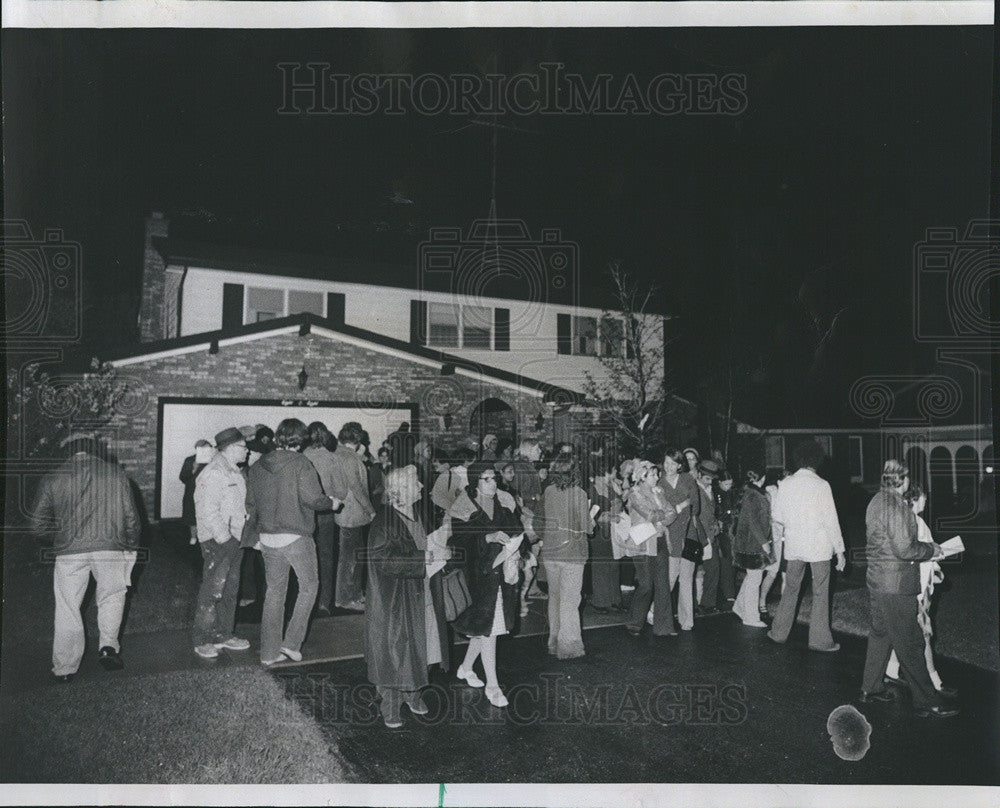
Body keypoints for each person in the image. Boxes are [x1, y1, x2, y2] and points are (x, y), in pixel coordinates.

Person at [31, 434, 141, 681]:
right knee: (112, 596)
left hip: (69, 552)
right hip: (111, 547)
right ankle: (108, 648)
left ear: (70, 453)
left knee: (68, 605)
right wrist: (131, 545)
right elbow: (131, 517)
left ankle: (65, 668)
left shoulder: (54, 476)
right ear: (95, 451)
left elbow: (37, 525)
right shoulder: (116, 474)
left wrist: (60, 538)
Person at [859, 462, 956, 717]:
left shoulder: (876, 502)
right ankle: (928, 701)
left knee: (881, 634)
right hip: (897, 584)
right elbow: (906, 549)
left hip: (878, 580)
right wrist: (933, 550)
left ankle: (871, 687)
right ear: (901, 481)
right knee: (911, 642)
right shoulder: (897, 508)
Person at [245, 418, 341, 666]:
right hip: (297, 537)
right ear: (300, 440)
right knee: (309, 587)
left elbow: (251, 505)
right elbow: (313, 499)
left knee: (274, 593)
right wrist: (332, 503)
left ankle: (268, 653)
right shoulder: (301, 463)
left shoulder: (257, 466)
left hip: (267, 539)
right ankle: (291, 644)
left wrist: (254, 536)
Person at [448, 462, 525, 707]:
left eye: (494, 478)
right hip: (476, 578)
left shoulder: (504, 503)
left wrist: (515, 545)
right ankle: (493, 686)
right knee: (490, 628)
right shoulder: (463, 507)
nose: (493, 483)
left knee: (486, 626)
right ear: (475, 482)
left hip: (500, 575)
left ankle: (466, 667)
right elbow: (458, 544)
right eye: (487, 479)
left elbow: (518, 532)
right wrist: (486, 537)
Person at [365, 466, 434, 728]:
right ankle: (390, 705)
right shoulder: (384, 521)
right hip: (393, 596)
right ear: (400, 490)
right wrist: (421, 559)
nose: (421, 487)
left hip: (418, 590)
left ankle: (412, 694)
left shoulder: (417, 514)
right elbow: (382, 559)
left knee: (419, 645)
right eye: (416, 483)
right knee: (395, 649)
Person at [767, 438, 845, 652]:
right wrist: (840, 550)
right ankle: (820, 640)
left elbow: (778, 516)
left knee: (791, 589)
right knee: (821, 591)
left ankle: (778, 632)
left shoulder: (786, 484)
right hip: (819, 547)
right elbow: (831, 520)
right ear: (816, 461)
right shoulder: (821, 485)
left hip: (794, 546)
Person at [884, 483, 956, 699]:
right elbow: (914, 552)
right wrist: (935, 553)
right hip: (914, 586)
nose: (926, 501)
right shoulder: (911, 522)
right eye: (924, 498)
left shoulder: (912, 521)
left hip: (917, 583)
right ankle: (934, 680)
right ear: (913, 499)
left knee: (909, 630)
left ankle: (890, 668)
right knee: (923, 632)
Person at [190, 427, 252, 659]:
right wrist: (225, 540)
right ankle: (202, 639)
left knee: (230, 590)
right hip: (218, 542)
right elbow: (207, 512)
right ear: (228, 449)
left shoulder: (233, 471)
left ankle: (224, 635)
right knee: (213, 591)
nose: (247, 451)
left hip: (234, 539)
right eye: (243, 447)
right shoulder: (213, 474)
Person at [537, 457, 595, 658]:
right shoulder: (579, 494)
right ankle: (569, 646)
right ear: (575, 473)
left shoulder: (549, 491)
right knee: (570, 600)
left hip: (551, 552)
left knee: (555, 597)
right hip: (571, 553)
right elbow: (586, 527)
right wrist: (592, 521)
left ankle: (553, 641)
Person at [624, 459, 679, 637]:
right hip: (643, 544)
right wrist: (662, 515)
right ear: (642, 477)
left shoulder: (659, 492)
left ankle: (664, 627)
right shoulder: (635, 494)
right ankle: (634, 622)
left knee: (663, 585)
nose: (657, 477)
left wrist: (660, 515)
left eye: (656, 474)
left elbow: (673, 513)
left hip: (661, 541)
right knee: (646, 585)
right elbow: (649, 514)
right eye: (653, 474)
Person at [330, 423, 377, 611]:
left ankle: (353, 595)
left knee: (350, 558)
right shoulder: (349, 457)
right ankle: (345, 599)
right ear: (358, 439)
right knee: (350, 559)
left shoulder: (339, 453)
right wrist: (370, 510)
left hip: (347, 513)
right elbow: (356, 487)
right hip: (352, 514)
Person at [659, 448, 701, 632]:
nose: (668, 467)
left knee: (687, 579)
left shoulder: (688, 479)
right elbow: (663, 510)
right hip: (671, 535)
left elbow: (696, 505)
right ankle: (656, 611)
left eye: (673, 463)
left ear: (679, 465)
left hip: (689, 533)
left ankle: (687, 619)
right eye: (666, 463)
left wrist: (681, 506)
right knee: (670, 577)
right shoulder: (659, 484)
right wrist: (682, 504)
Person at [730, 466, 773, 628]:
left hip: (749, 543)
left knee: (752, 577)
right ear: (760, 479)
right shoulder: (754, 495)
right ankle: (750, 616)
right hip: (753, 544)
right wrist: (764, 543)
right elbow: (753, 522)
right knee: (755, 579)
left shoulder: (749, 493)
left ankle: (740, 607)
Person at [304, 421, 339, 616]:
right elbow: (340, 489)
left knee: (307, 558)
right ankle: (324, 601)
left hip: (306, 512)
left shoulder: (302, 456)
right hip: (326, 512)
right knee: (326, 557)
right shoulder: (331, 458)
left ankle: (307, 600)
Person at [238, 426, 274, 608]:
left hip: (259, 523)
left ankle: (264, 594)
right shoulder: (245, 472)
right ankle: (252, 593)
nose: (249, 455)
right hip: (252, 522)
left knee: (261, 560)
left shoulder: (253, 473)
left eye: (253, 453)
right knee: (249, 560)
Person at [588, 459, 624, 613]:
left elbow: (618, 503)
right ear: (605, 473)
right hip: (598, 533)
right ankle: (600, 601)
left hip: (612, 531)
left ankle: (614, 600)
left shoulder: (610, 489)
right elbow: (590, 515)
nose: (615, 474)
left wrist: (614, 510)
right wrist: (608, 515)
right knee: (601, 566)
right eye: (613, 471)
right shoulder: (591, 491)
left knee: (613, 565)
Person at [693, 459, 723, 615]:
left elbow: (711, 512)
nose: (709, 482)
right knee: (696, 570)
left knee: (713, 569)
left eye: (712, 479)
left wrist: (716, 523)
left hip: (712, 535)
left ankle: (708, 603)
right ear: (699, 474)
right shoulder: (694, 490)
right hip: (699, 536)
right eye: (707, 478)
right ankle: (694, 604)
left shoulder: (711, 490)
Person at [179, 439, 213, 545]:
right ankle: (193, 537)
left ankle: (207, 537)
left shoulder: (214, 460)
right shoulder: (190, 460)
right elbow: (183, 477)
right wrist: (193, 469)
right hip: (192, 491)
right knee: (192, 515)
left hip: (209, 491)